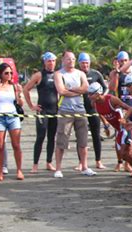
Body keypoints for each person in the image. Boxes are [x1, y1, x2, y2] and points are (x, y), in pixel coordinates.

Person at [88, 82, 132, 183]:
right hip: (118, 130)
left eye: (91, 94)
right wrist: (106, 125)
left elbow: (129, 108)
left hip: (125, 128)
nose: (89, 96)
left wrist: (126, 119)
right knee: (125, 155)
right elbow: (101, 114)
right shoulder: (94, 103)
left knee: (125, 153)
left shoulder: (111, 99)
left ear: (98, 93)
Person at [53, 50, 95, 178]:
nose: (71, 61)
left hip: (80, 109)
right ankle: (58, 168)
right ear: (63, 60)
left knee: (83, 140)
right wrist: (78, 91)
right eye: (68, 59)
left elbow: (86, 88)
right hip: (65, 110)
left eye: (73, 59)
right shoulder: (59, 74)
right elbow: (61, 90)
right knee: (62, 139)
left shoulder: (80, 73)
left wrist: (70, 90)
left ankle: (85, 166)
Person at [23, 51, 58, 173]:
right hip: (43, 111)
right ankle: (35, 164)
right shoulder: (39, 75)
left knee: (52, 137)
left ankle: (49, 162)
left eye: (53, 61)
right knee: (40, 137)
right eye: (49, 61)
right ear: (45, 62)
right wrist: (31, 106)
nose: (52, 63)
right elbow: (26, 89)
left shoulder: (58, 75)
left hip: (55, 111)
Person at [0, 63, 24, 181]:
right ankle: (0, 172)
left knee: (16, 145)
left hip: (12, 116)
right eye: (6, 73)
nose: (9, 75)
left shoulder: (14, 86)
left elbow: (20, 104)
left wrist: (19, 94)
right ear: (1, 74)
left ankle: (19, 170)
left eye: (11, 73)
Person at [78, 52, 107, 170]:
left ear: (89, 63)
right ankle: (81, 163)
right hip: (80, 108)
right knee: (81, 136)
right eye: (83, 63)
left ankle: (98, 161)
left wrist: (100, 99)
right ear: (79, 63)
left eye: (86, 62)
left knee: (96, 135)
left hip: (93, 109)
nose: (85, 65)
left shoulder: (95, 74)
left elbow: (105, 88)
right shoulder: (77, 74)